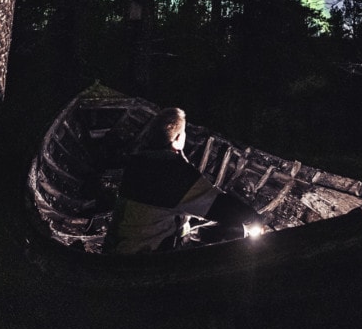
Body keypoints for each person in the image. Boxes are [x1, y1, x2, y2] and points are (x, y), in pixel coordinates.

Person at [105, 107, 263, 254]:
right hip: (147, 255)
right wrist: (253, 218)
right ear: (179, 137)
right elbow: (217, 205)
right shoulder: (172, 171)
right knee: (235, 229)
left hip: (117, 248)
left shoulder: (139, 163)